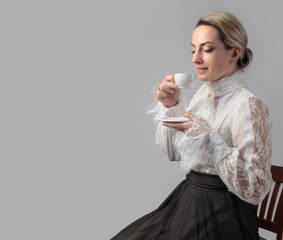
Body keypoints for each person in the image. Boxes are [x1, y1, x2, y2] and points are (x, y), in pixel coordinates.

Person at [111, 11, 272, 240]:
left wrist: (208, 137)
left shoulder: (247, 105)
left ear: (234, 53)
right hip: (188, 199)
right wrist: (172, 106)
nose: (196, 58)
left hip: (224, 215)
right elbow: (172, 153)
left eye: (206, 49)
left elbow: (256, 189)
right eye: (193, 49)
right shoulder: (204, 93)